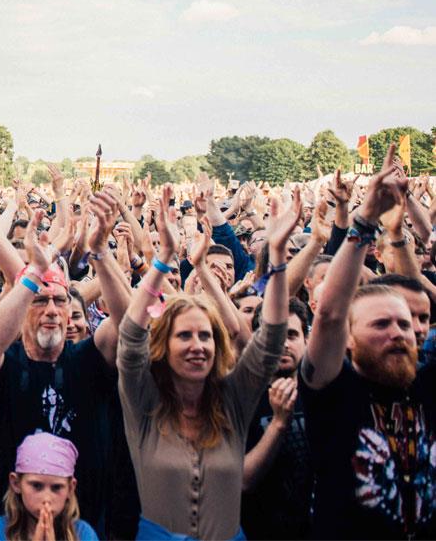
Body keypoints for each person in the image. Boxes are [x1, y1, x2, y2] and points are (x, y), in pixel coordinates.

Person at [117, 185, 291, 540]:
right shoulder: (145, 403)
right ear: (164, 345)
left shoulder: (233, 402)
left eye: (205, 336)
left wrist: (276, 256)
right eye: (184, 336)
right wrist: (163, 257)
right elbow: (131, 338)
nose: (197, 346)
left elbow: (270, 341)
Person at [0, 179, 132, 535]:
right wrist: (31, 277)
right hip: (8, 523)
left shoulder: (87, 358)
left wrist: (100, 251)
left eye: (60, 301)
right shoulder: (7, 362)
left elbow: (130, 325)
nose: (52, 310)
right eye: (40, 301)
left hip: (84, 521)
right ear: (23, 307)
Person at [299, 147, 435, 539]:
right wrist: (366, 219)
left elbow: (419, 296)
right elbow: (328, 313)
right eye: (380, 324)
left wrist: (400, 232)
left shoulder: (426, 386)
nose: (398, 332)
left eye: (405, 324)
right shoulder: (333, 391)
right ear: (349, 340)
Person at [240, 299, 313, 540]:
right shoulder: (239, 399)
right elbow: (243, 481)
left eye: (292, 335)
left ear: (306, 340)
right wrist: (279, 422)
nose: (283, 344)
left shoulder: (322, 395)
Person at [0, 432, 99, 541]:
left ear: (70, 488)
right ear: (16, 483)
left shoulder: (83, 533)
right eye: (37, 486)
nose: (46, 498)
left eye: (56, 487)